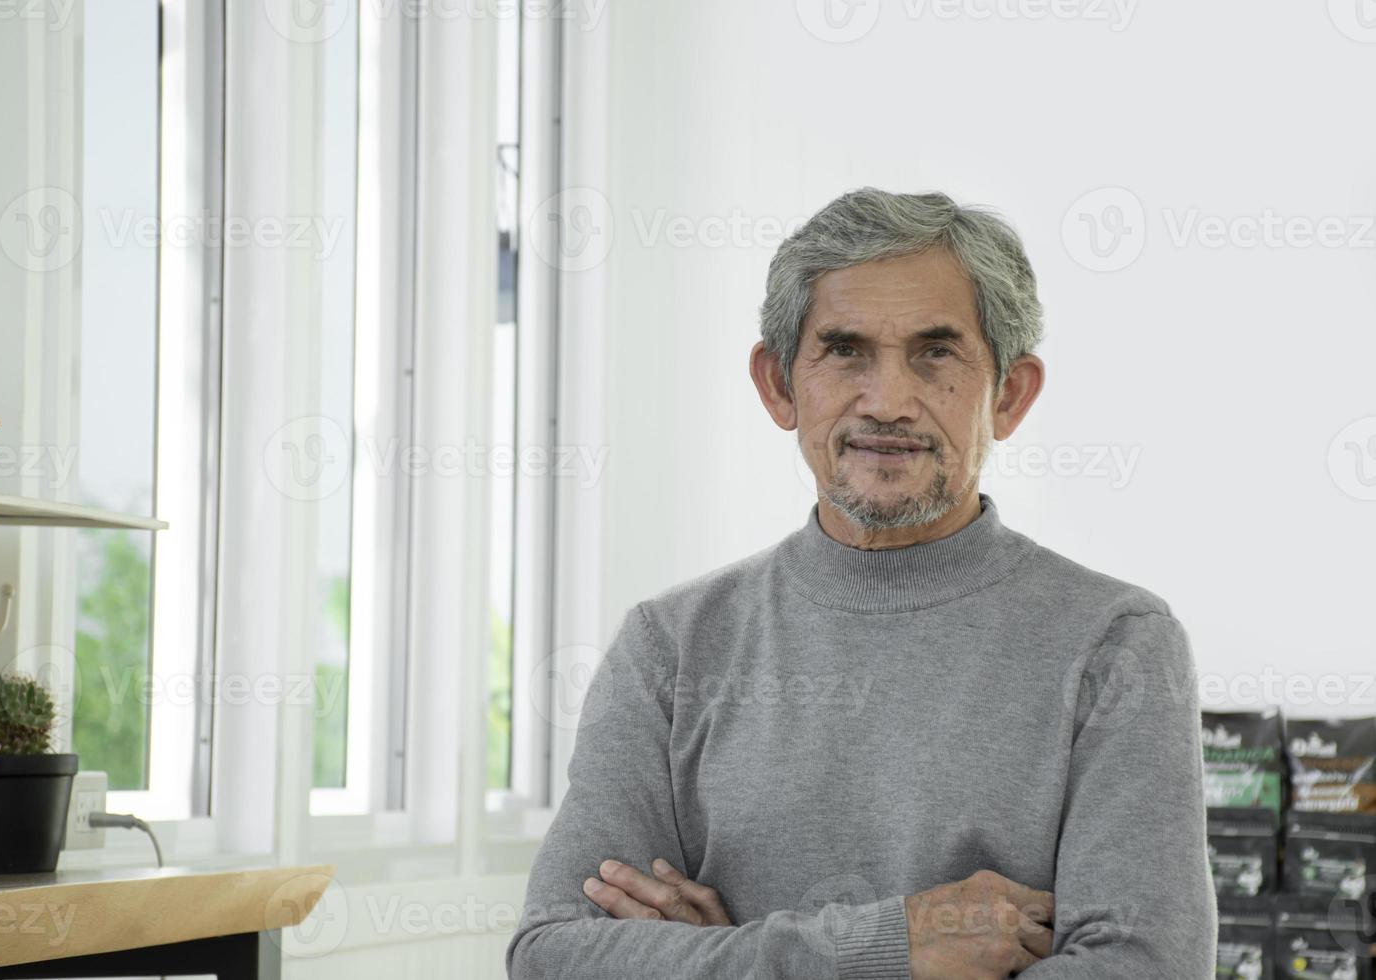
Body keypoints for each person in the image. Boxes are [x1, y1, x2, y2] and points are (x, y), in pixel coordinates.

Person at [505, 187, 1216, 979]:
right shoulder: (668, 647)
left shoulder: (1116, 644)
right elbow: (552, 955)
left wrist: (720, 954)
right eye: (845, 351)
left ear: (1009, 395)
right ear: (779, 385)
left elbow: (1145, 968)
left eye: (935, 353)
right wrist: (889, 946)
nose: (887, 402)